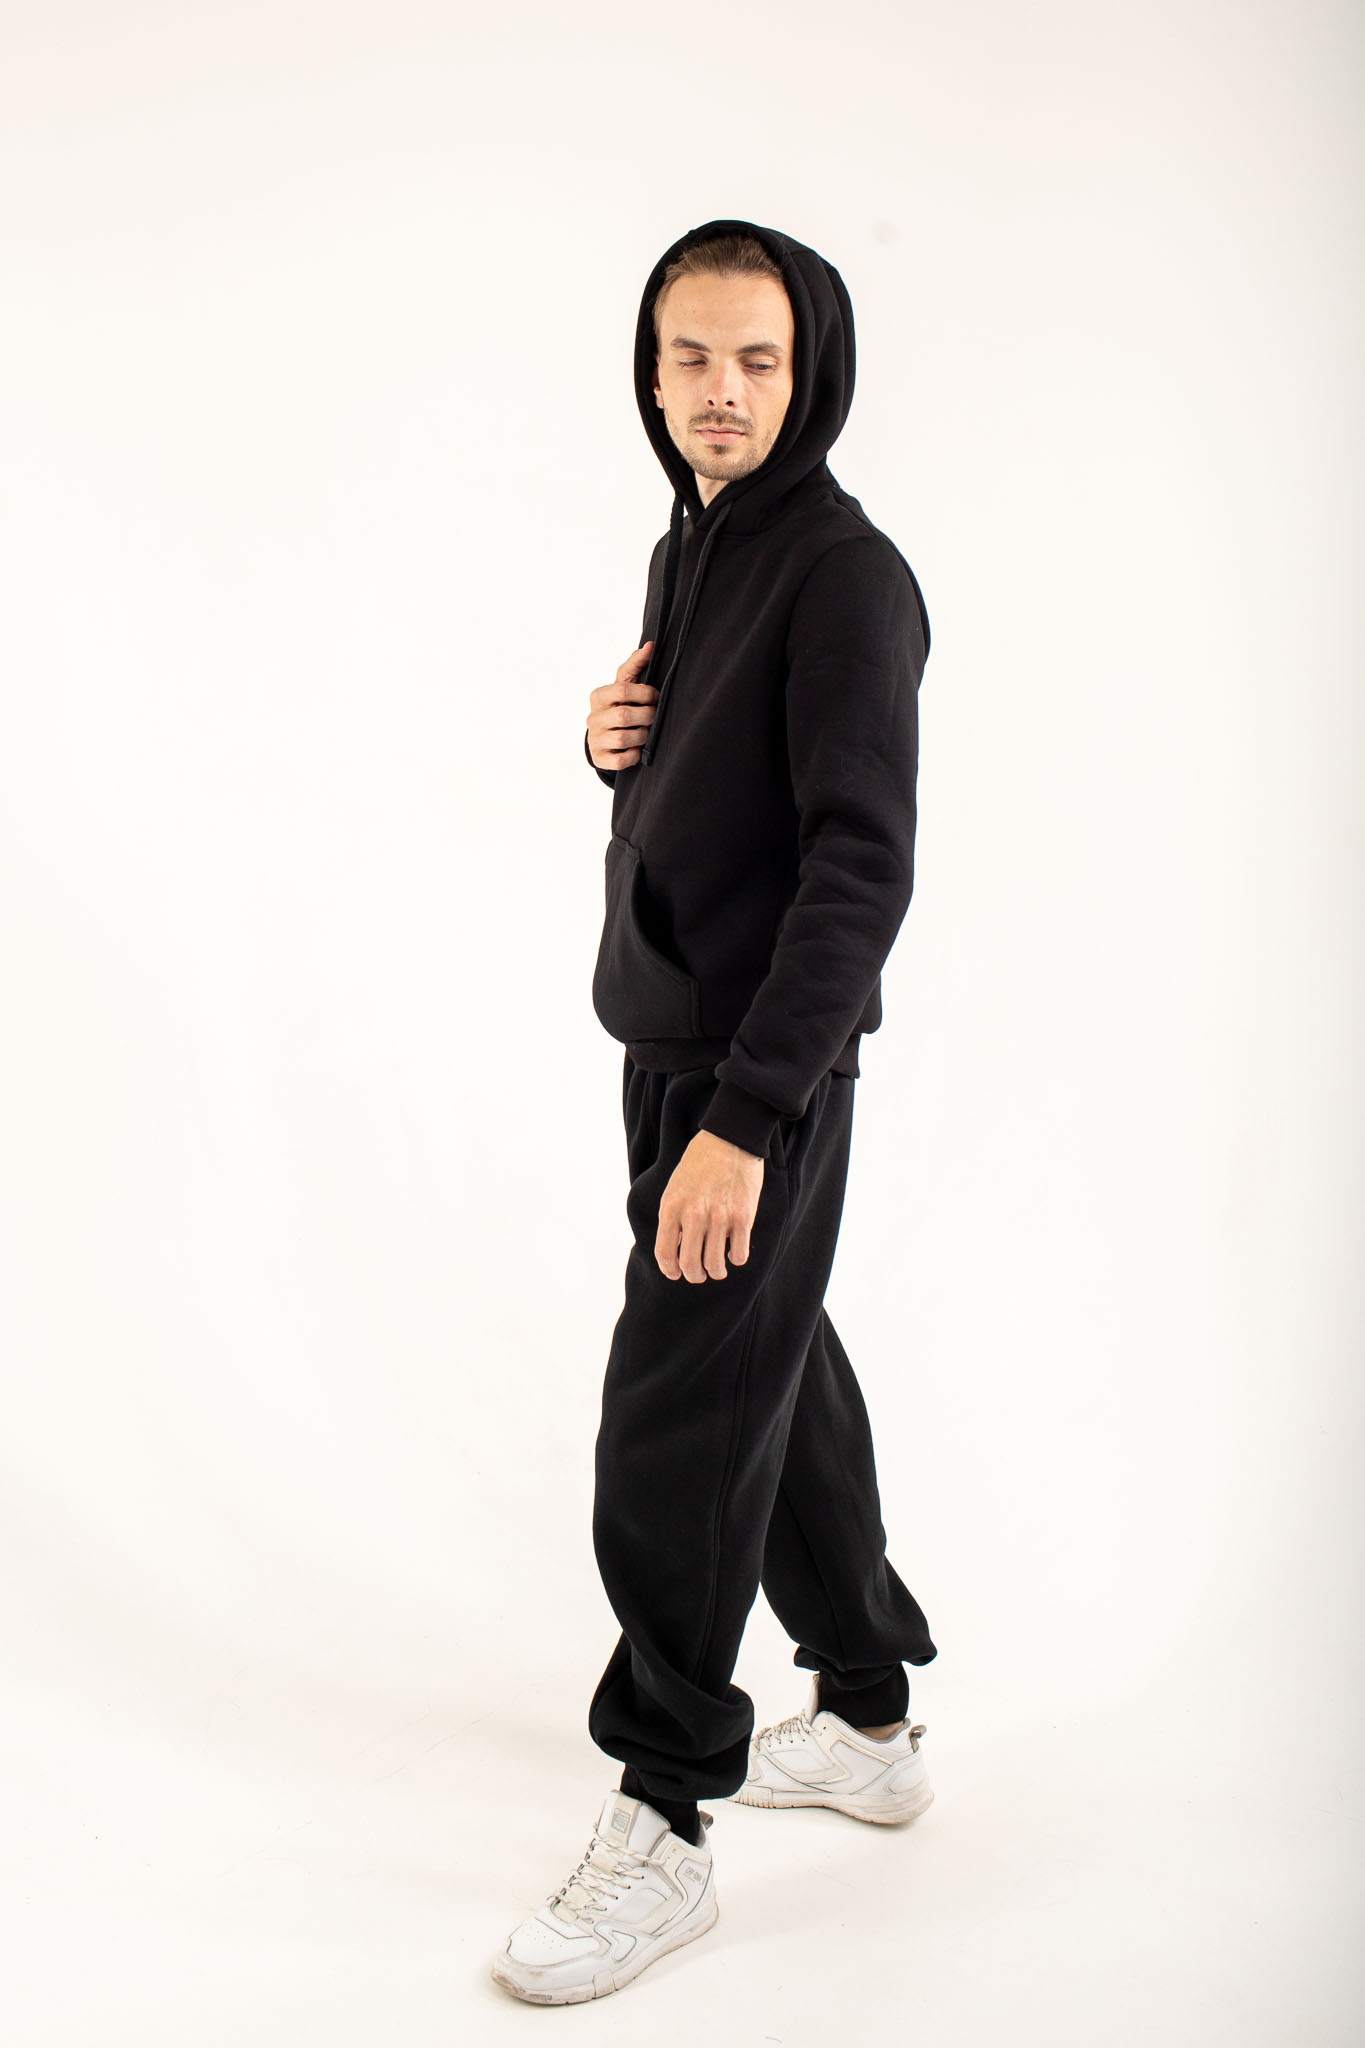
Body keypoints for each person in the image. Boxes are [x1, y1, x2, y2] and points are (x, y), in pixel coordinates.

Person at [491, 217, 938, 2007]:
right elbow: (722, 783)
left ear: (810, 368)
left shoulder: (844, 573)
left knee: (672, 1428)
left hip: (757, 1068)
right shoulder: (697, 540)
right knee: (771, 1364)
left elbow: (858, 866)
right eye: (690, 356)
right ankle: (869, 1718)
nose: (720, 391)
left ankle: (665, 1811)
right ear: (649, 368)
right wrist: (618, 742)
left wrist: (748, 1121)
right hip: (671, 1039)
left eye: (757, 359)